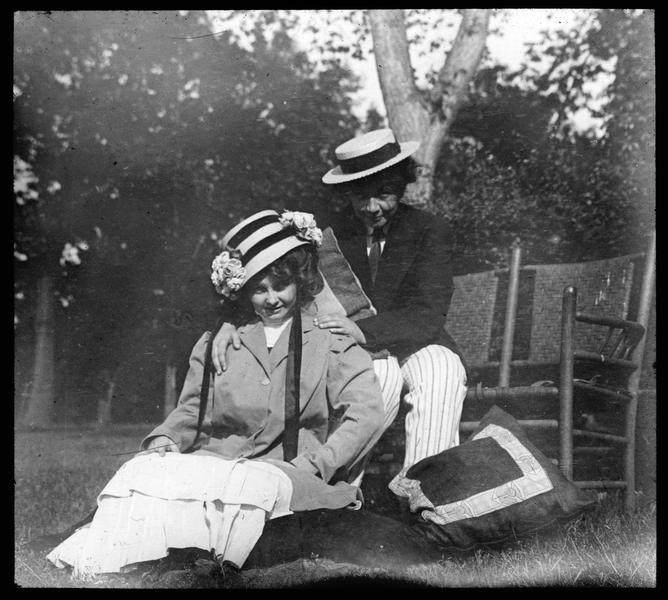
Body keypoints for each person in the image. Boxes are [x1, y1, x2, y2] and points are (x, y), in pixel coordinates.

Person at [46, 209, 385, 580]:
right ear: (243, 290)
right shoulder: (219, 342)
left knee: (248, 487)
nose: (272, 299)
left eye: (281, 285)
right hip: (214, 466)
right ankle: (123, 566)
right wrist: (166, 438)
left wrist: (316, 464)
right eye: (259, 289)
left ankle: (194, 564)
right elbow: (191, 411)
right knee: (142, 468)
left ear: (300, 281)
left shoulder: (330, 341)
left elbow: (365, 414)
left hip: (285, 475)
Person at [211, 129, 468, 497]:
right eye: (361, 196)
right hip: (352, 348)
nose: (372, 207)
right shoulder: (324, 233)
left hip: (415, 339)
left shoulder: (429, 230)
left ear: (402, 185)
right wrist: (230, 320)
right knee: (378, 377)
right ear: (347, 193)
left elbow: (429, 311)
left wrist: (364, 330)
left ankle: (427, 498)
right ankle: (332, 495)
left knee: (442, 370)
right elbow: (271, 274)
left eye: (384, 194)